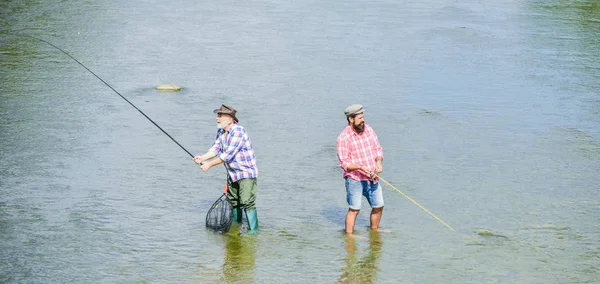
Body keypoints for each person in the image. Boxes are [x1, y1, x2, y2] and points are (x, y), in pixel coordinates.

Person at [194, 104, 259, 233]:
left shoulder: (238, 131)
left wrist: (209, 164)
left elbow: (227, 155)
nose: (217, 118)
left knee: (247, 202)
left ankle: (254, 231)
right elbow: (215, 149)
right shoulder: (221, 132)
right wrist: (202, 158)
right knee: (234, 202)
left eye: (220, 115)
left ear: (230, 119)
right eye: (217, 115)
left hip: (246, 173)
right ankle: (237, 226)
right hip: (232, 174)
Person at [336, 104, 384, 234]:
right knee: (354, 209)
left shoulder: (369, 130)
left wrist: (379, 162)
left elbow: (378, 149)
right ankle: (349, 236)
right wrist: (361, 167)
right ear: (351, 119)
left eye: (363, 117)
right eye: (360, 118)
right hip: (355, 179)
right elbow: (344, 163)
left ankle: (374, 232)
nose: (363, 120)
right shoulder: (343, 138)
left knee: (378, 206)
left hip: (372, 177)